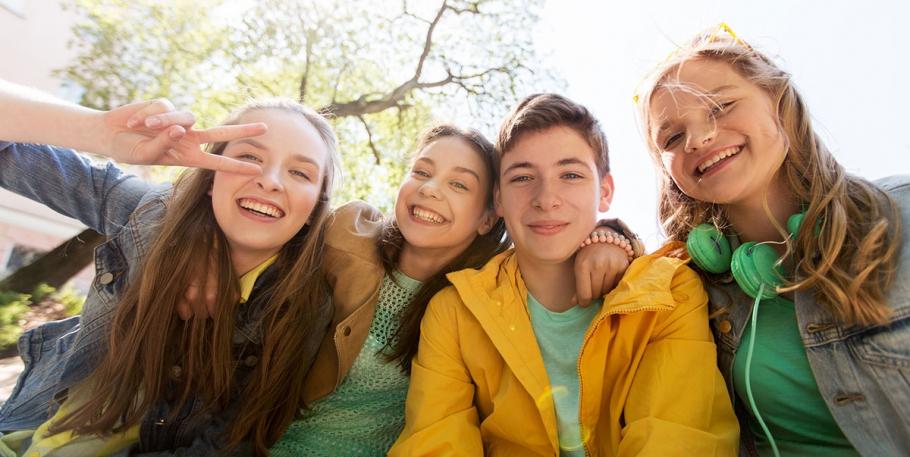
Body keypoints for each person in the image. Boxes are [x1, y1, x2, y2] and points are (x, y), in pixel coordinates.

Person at [0, 81, 339, 456]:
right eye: (248, 158)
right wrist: (102, 132)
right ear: (210, 179)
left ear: (315, 209)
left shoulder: (303, 304)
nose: (270, 180)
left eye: (300, 173)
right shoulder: (150, 215)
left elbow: (228, 446)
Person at [390, 93, 738, 456]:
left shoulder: (668, 291)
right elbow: (435, 443)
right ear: (497, 200)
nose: (546, 198)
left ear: (604, 192)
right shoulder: (455, 312)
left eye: (570, 175)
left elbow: (677, 437)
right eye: (523, 177)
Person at [269, 124, 635, 456]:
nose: (430, 189)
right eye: (421, 173)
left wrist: (611, 236)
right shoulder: (347, 239)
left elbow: (556, 243)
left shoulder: (481, 300)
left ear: (490, 216)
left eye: (458, 184)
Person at [635, 24, 909, 456]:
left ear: (779, 104)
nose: (699, 138)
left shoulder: (901, 214)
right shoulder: (690, 288)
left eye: (720, 106)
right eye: (671, 137)